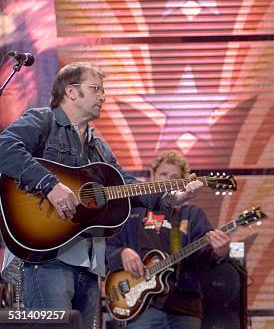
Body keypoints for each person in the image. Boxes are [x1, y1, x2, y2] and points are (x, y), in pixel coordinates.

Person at [0, 62, 202, 328]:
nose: (102, 96)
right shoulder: (44, 120)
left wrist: (169, 198)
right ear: (71, 92)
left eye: (103, 91)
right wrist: (49, 185)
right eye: (95, 89)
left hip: (88, 263)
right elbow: (5, 146)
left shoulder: (99, 146)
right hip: (47, 258)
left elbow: (128, 187)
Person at [106, 150, 231, 329]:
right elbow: (106, 249)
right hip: (140, 307)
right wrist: (122, 253)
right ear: (152, 177)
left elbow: (207, 258)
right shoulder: (132, 212)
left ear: (183, 184)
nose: (168, 180)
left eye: (175, 177)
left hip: (185, 309)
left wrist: (221, 251)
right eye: (163, 174)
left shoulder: (193, 215)